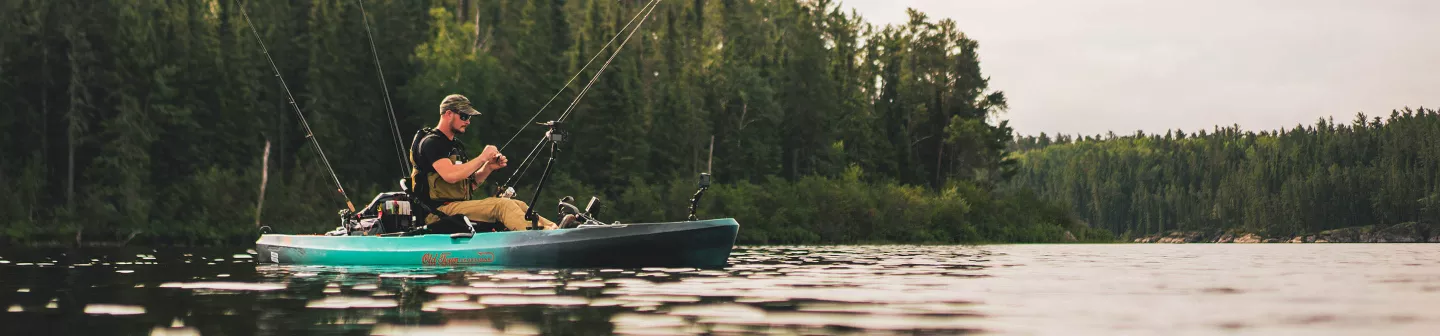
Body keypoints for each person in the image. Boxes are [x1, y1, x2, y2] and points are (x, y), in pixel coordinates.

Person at [409, 94, 569, 231]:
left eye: (469, 117)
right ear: (448, 114)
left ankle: (556, 229)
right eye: (464, 116)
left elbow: (468, 185)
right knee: (502, 206)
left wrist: (488, 167)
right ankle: (540, 235)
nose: (468, 121)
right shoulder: (431, 143)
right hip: (436, 212)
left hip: (455, 207)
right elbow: (450, 176)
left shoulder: (454, 146)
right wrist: (482, 158)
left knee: (518, 204)